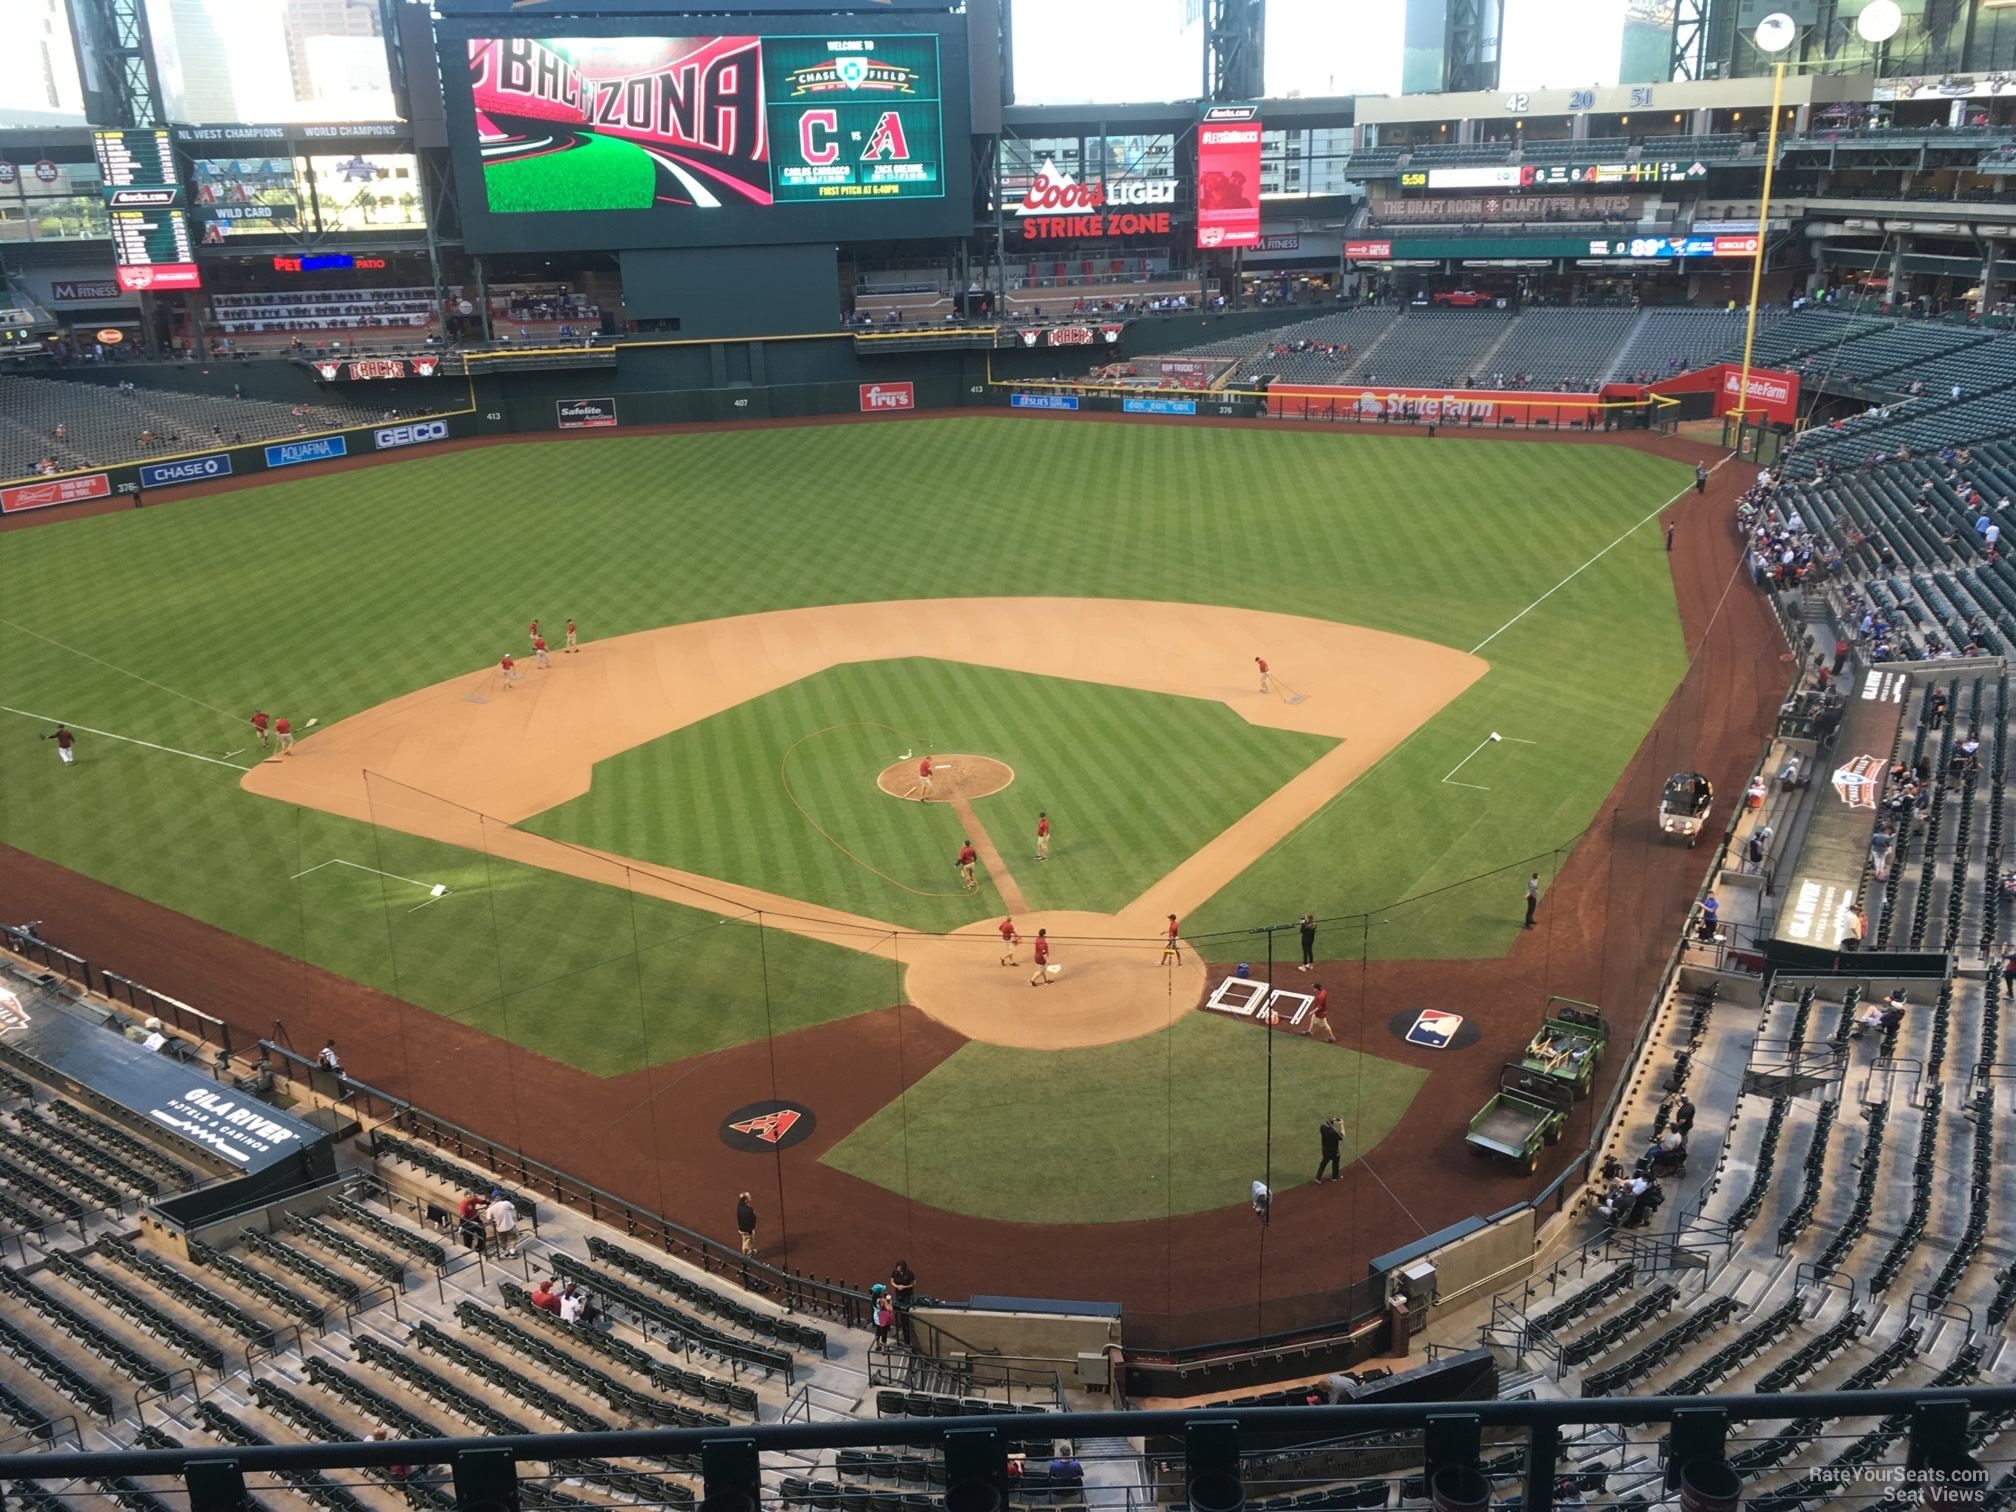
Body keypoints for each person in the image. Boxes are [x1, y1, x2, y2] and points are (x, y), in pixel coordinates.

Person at [889, 1259, 917, 1344]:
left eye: (900, 1267)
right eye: (898, 1267)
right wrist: (897, 1286)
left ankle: (907, 1324)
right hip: (899, 1294)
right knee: (900, 1309)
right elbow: (892, 1281)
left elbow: (914, 1283)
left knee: (906, 1308)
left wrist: (904, 1287)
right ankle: (902, 1323)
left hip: (907, 1294)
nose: (898, 1269)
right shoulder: (895, 1272)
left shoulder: (909, 1273)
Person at [486, 1189, 519, 1258]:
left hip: (499, 1228)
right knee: (514, 1238)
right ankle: (512, 1252)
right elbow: (513, 1207)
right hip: (510, 1226)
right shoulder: (506, 1203)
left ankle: (505, 1252)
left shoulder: (490, 1208)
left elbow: (489, 1219)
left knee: (503, 1241)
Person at [1316, 1115, 1344, 1182]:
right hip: (1334, 1151)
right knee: (1335, 1163)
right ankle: (1334, 1177)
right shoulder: (1334, 1132)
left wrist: (1333, 1120)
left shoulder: (1322, 1128)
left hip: (1325, 1151)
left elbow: (1326, 1124)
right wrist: (1342, 1124)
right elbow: (1342, 1135)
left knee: (1323, 1164)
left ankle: (1317, 1178)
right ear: (1333, 1123)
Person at [736, 1191, 757, 1256]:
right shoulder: (746, 1211)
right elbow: (748, 1222)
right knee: (745, 1244)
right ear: (745, 1199)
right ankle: (744, 1257)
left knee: (748, 1241)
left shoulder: (740, 1205)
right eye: (749, 1197)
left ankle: (750, 1251)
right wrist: (750, 1231)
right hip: (746, 1230)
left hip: (742, 1227)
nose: (750, 1197)